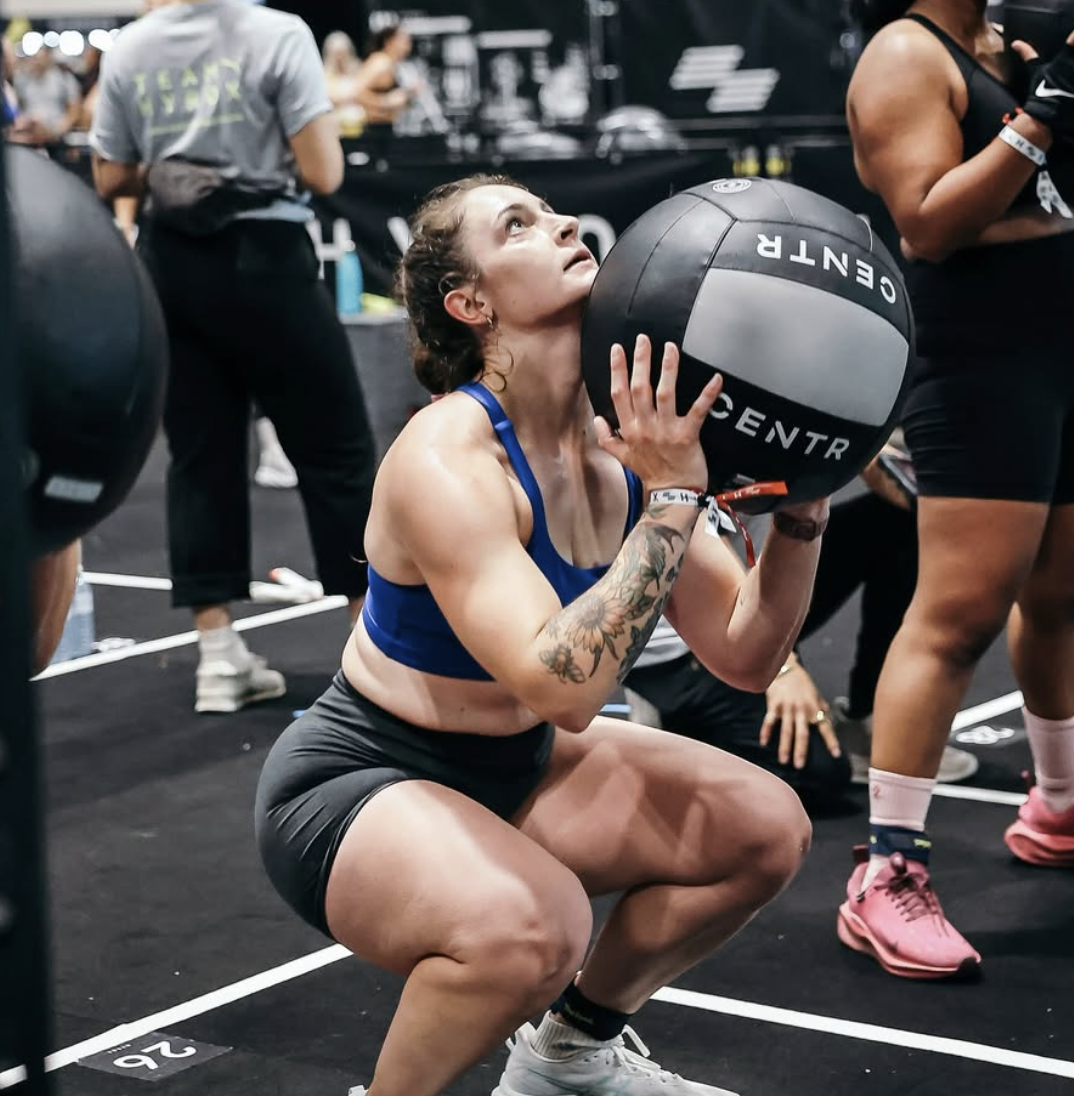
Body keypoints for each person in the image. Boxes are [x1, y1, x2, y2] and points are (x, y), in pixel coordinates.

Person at [255, 173, 830, 1096]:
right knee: (537, 925)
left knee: (765, 828)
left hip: (514, 765)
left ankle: (568, 1058)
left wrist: (801, 520)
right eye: (518, 225)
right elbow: (563, 691)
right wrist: (677, 499)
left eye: (552, 210)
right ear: (470, 302)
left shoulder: (627, 446)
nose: (562, 223)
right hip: (360, 781)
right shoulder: (447, 452)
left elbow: (743, 655)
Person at [840, 0, 1074, 980]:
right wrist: (1045, 111)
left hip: (1058, 352)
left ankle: (1058, 804)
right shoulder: (905, 53)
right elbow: (929, 224)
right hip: (982, 365)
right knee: (954, 619)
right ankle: (885, 873)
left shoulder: (999, 44)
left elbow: (1042, 202)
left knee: (1059, 595)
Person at [89, 0, 377, 714]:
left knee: (200, 456)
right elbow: (324, 171)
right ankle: (370, 650)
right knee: (334, 449)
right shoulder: (278, 35)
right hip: (266, 260)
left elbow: (109, 177)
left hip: (172, 267)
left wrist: (178, 160)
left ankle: (217, 657)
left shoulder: (131, 47)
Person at [353, 23, 415, 164]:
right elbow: (356, 92)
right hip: (376, 132)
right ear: (389, 41)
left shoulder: (391, 64)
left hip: (384, 130)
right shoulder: (381, 63)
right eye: (404, 41)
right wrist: (385, 101)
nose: (408, 46)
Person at [10, 46, 81, 147]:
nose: (37, 61)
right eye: (35, 58)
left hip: (56, 135)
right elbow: (17, 106)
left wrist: (58, 131)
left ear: (49, 57)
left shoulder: (64, 78)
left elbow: (74, 110)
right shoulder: (22, 79)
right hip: (29, 135)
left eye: (41, 57)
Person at [322, 30, 366, 138]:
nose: (339, 57)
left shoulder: (359, 69)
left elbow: (365, 94)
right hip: (335, 127)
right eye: (336, 53)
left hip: (360, 126)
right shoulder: (324, 74)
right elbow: (328, 98)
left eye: (342, 53)